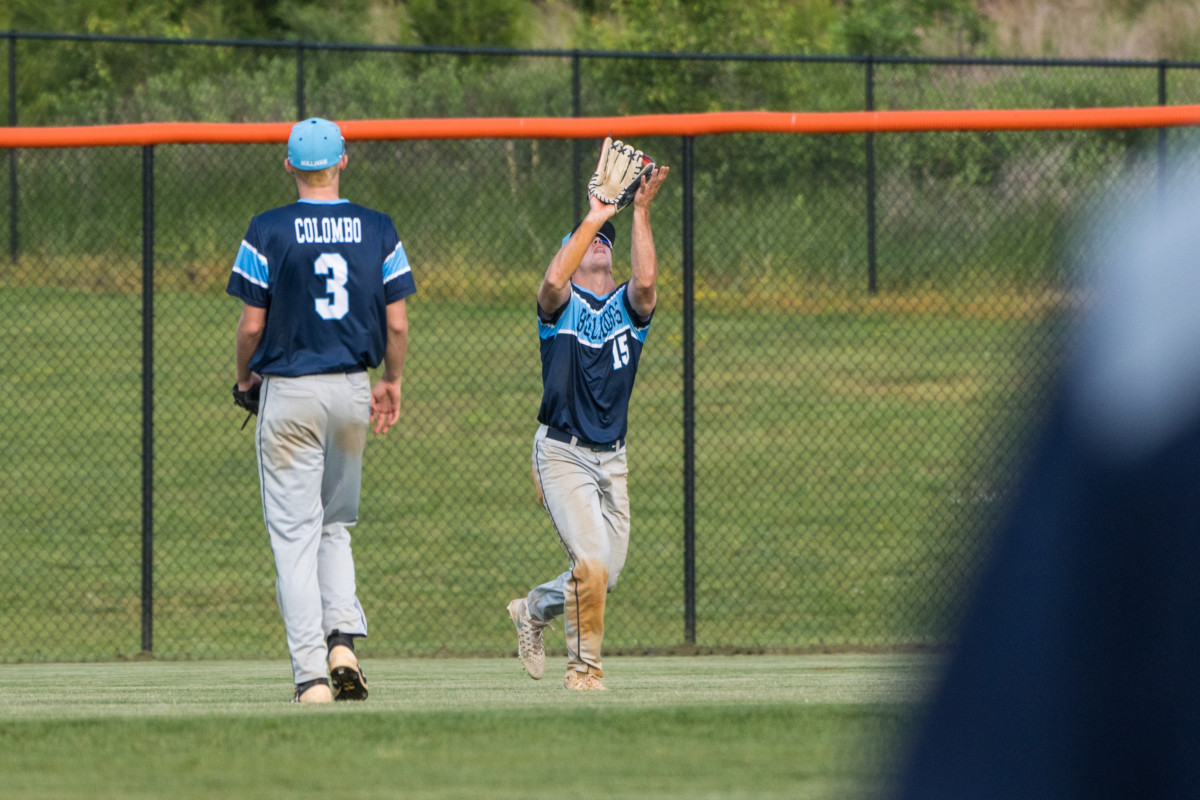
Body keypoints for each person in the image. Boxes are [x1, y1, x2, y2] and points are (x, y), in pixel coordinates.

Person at [226, 117, 415, 703]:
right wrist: (392, 380)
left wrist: (242, 379)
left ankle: (311, 677)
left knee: (293, 537)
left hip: (290, 392)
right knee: (335, 526)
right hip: (351, 392)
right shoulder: (378, 228)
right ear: (343, 162)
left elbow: (252, 324)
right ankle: (344, 644)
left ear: (290, 166)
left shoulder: (268, 229)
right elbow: (398, 322)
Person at [506, 145, 669, 691]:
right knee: (593, 564)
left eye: (605, 239)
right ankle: (584, 671)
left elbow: (647, 287)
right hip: (562, 451)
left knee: (604, 575)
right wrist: (596, 212)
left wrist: (638, 211)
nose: (599, 243)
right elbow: (552, 283)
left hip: (613, 457)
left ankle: (532, 610)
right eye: (587, 240)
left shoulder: (626, 307)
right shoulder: (560, 308)